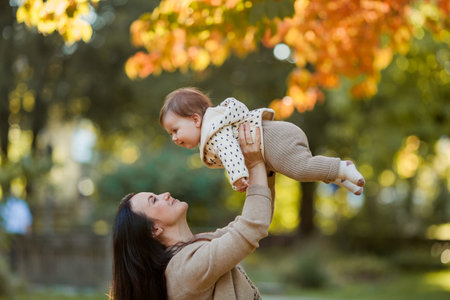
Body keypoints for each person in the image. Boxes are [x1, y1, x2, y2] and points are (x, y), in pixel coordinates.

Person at [112, 124, 272, 300]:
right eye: (154, 200)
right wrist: (255, 162)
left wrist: (265, 168)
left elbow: (257, 218)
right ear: (154, 229)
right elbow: (252, 227)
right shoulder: (185, 269)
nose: (165, 195)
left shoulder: (194, 247)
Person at [159, 87, 365, 196]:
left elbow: (229, 149)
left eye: (175, 130)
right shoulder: (215, 126)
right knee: (303, 171)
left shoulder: (213, 131)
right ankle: (341, 178)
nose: (174, 138)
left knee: (301, 169)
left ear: (195, 120)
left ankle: (341, 167)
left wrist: (237, 176)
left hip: (274, 140)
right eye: (170, 134)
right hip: (275, 139)